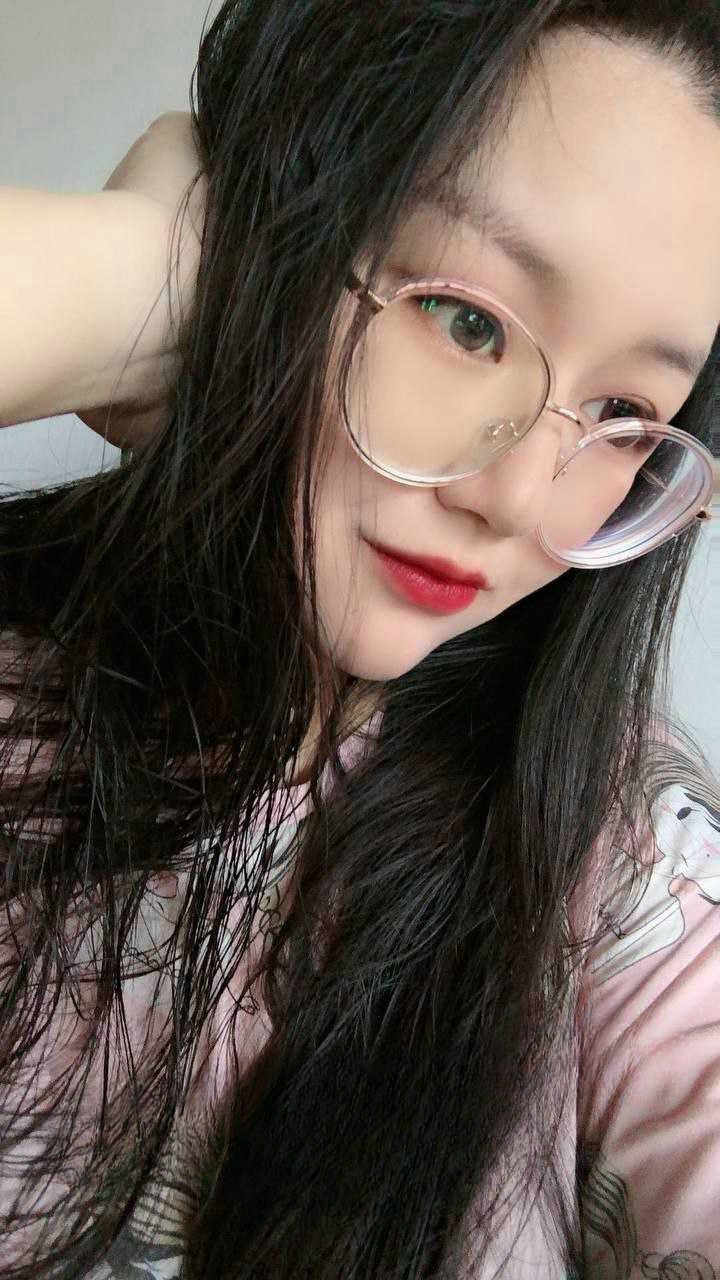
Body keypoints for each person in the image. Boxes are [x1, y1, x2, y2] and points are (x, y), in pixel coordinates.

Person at [0, 1, 719, 1276]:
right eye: (468, 320)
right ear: (276, 237)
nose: (520, 498)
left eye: (622, 410)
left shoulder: (614, 845)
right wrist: (130, 281)